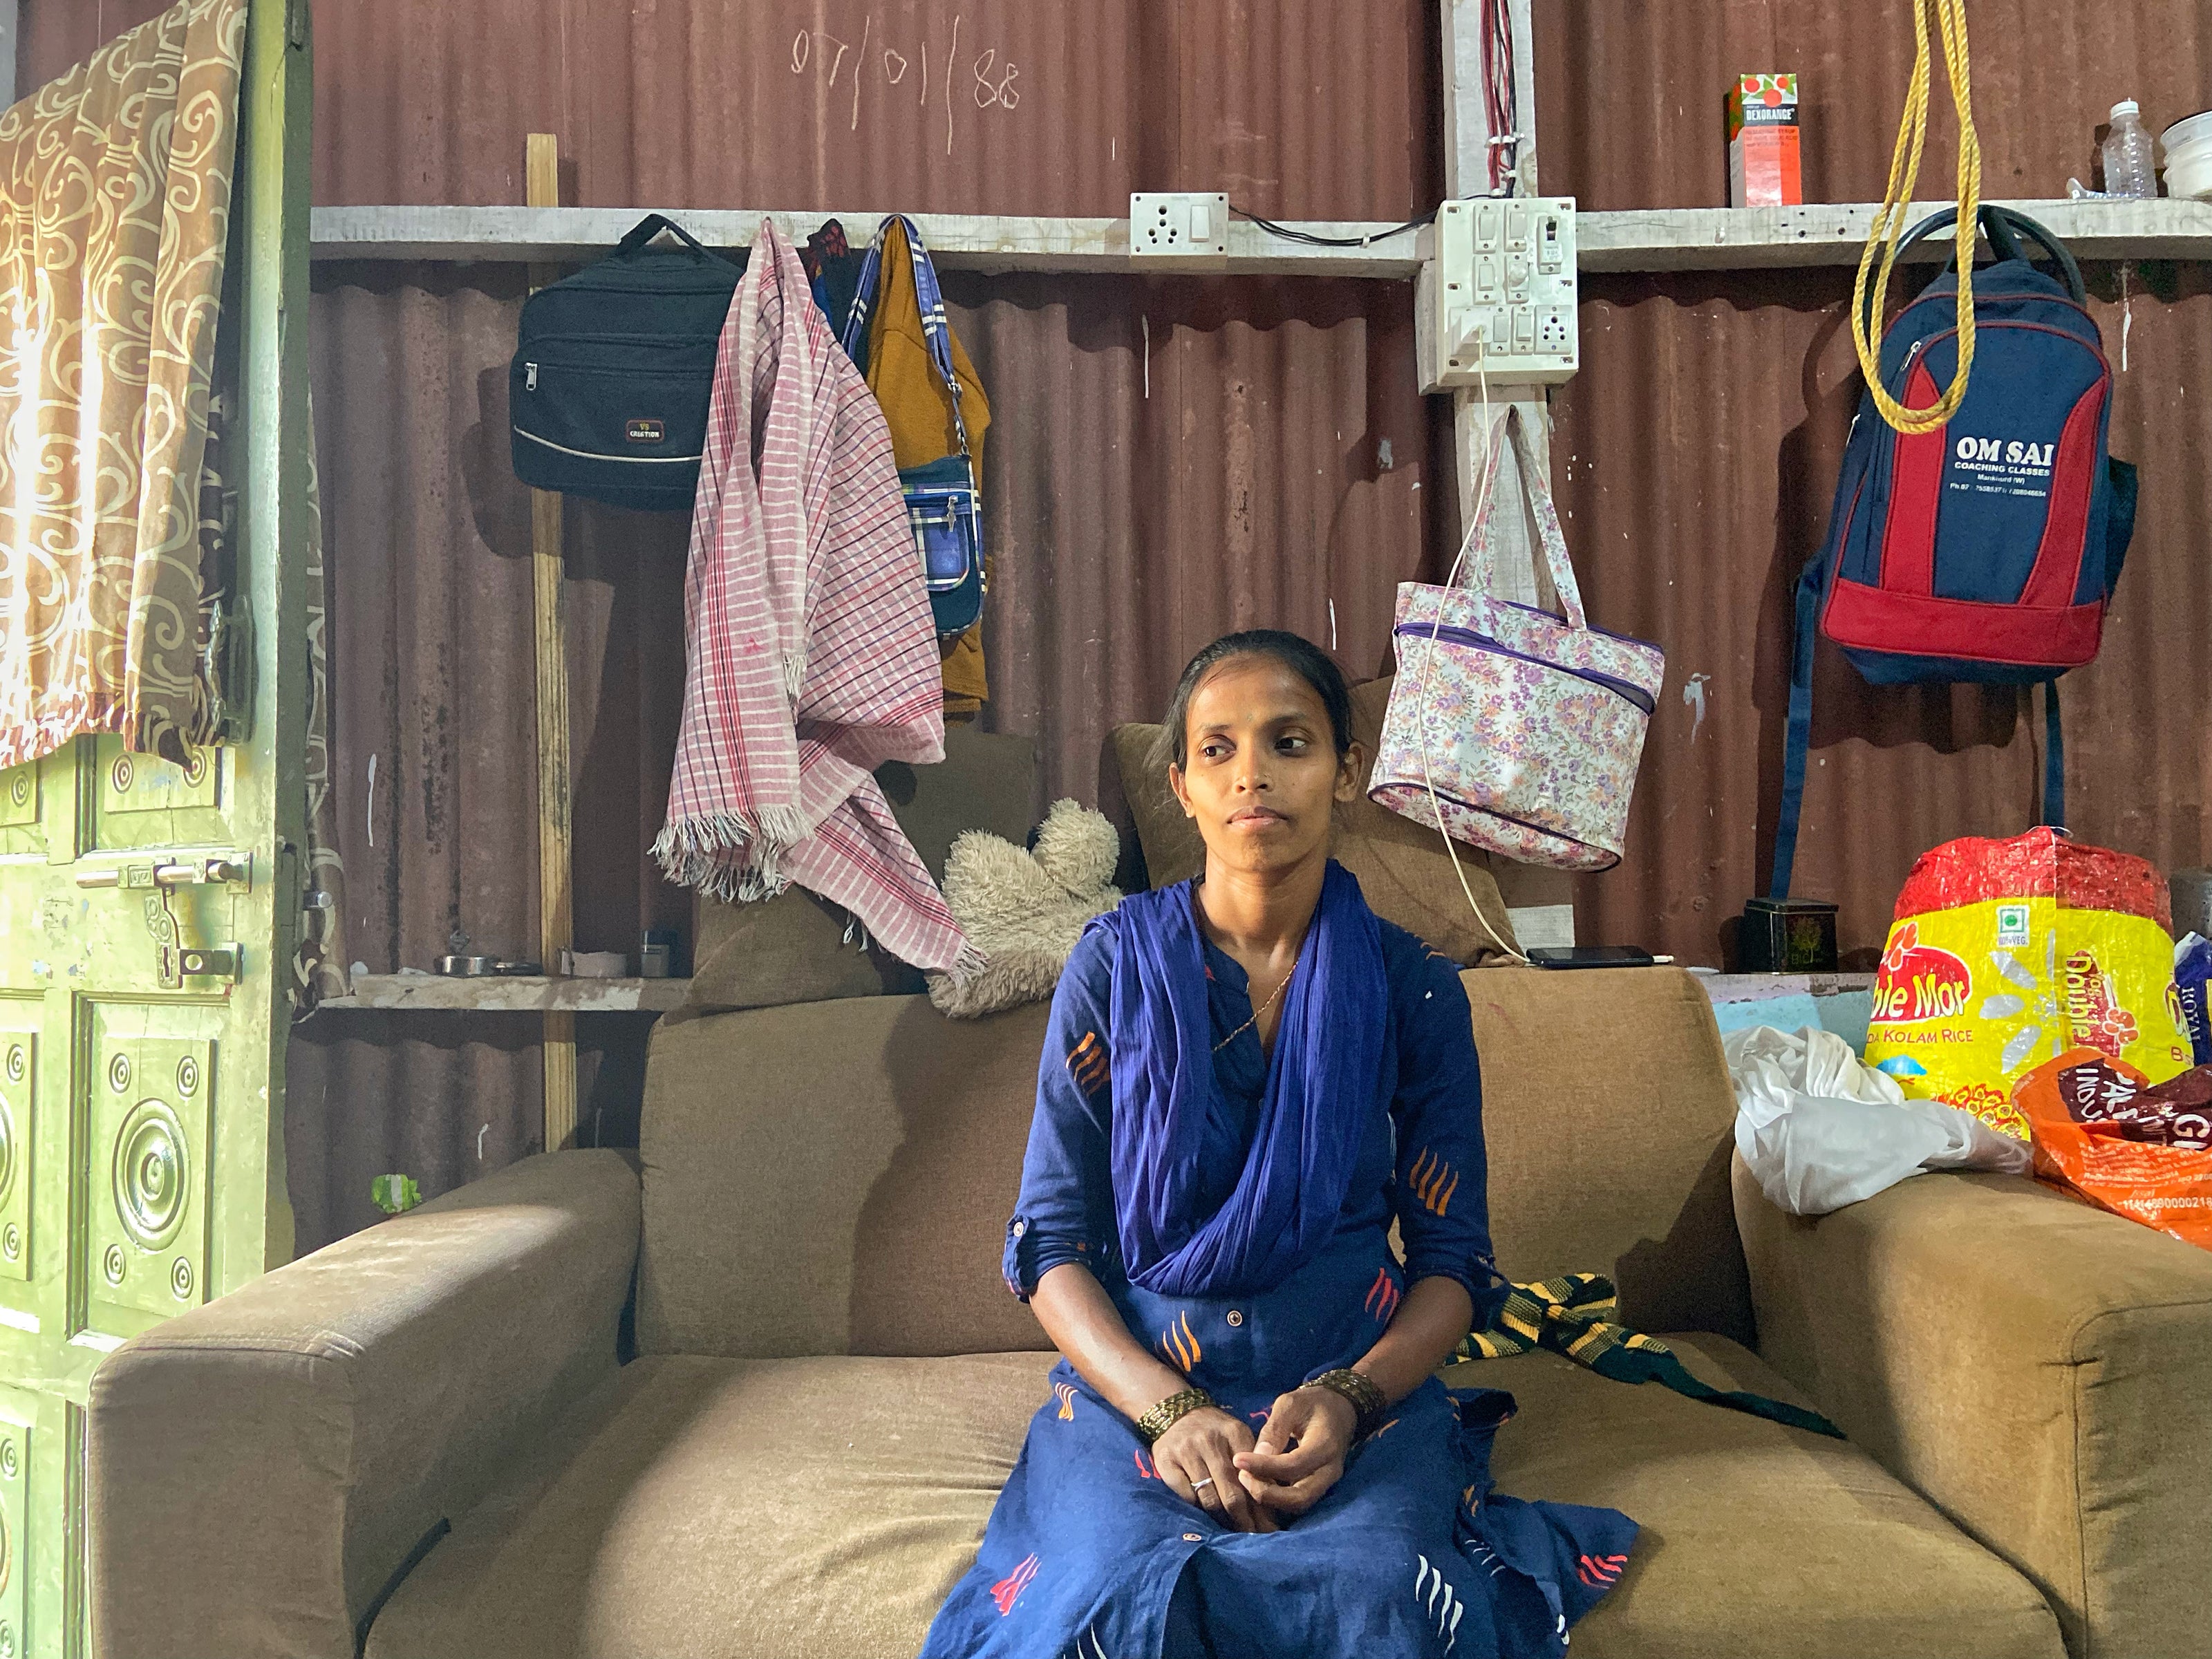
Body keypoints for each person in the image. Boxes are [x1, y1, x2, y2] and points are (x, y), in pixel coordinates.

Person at [921, 631, 1635, 1659]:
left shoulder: (1410, 990)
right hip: (1142, 1389)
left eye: (1288, 742)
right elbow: (1051, 1246)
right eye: (1217, 750)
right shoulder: (1113, 972)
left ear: (1346, 772)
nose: (1251, 772)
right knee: (1121, 1594)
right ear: (1182, 787)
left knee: (1382, 1591)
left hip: (1350, 1384)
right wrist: (1168, 1413)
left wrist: (1349, 1400)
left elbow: (1453, 1269)